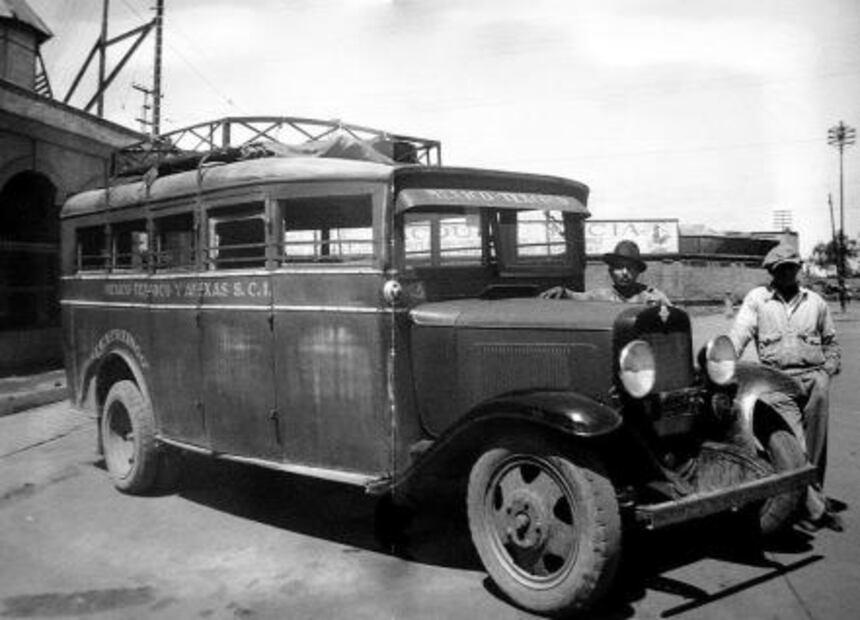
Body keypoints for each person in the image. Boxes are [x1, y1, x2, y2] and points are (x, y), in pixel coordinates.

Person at [729, 243, 843, 532]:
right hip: (778, 382)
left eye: (792, 267)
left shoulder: (815, 302)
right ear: (771, 272)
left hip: (814, 378)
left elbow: (831, 343)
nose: (787, 273)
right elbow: (739, 332)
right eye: (781, 269)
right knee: (796, 446)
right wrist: (724, 359)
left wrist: (827, 373)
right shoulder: (758, 299)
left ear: (799, 269)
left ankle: (809, 501)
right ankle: (817, 509)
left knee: (816, 446)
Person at [541, 239, 671, 304]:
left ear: (638, 272)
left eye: (630, 268)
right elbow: (578, 297)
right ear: (611, 271)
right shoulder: (601, 296)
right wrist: (563, 291)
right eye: (619, 267)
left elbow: (674, 316)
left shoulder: (653, 296)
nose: (625, 273)